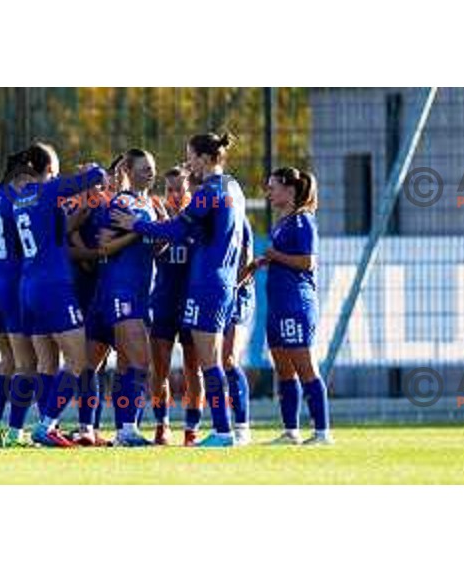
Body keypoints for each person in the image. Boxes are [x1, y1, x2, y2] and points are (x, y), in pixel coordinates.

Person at [115, 133, 245, 447]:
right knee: (208, 362)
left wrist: (137, 225)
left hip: (205, 284)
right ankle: (221, 430)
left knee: (208, 362)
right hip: (222, 282)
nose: (188, 163)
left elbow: (176, 228)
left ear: (204, 157)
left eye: (190, 157)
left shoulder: (208, 192)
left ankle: (223, 431)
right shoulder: (234, 188)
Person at [6, 142, 106, 447]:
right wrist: (88, 172)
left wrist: (78, 208)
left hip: (29, 287)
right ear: (49, 167)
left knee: (46, 365)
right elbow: (98, 174)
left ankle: (44, 424)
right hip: (54, 287)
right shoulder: (48, 190)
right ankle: (47, 426)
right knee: (78, 361)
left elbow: (55, 231)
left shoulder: (21, 199)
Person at [247, 167, 333, 445]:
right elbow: (285, 257)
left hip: (296, 303)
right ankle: (291, 431)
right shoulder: (283, 222)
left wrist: (275, 255)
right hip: (278, 305)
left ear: (289, 189)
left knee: (306, 368)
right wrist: (266, 260)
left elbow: (308, 262)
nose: (268, 193)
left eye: (273, 187)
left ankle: (322, 432)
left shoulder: (302, 221)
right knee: (284, 371)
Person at [95, 148, 158, 447]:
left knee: (126, 366)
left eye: (152, 167)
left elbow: (153, 247)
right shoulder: (122, 202)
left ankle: (124, 430)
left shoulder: (151, 205)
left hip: (140, 293)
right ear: (129, 171)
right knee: (139, 363)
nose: (151, 172)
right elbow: (104, 246)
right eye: (144, 168)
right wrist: (135, 232)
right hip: (121, 291)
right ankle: (126, 429)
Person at [0, 155, 36, 447]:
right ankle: (15, 432)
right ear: (21, 177)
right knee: (28, 363)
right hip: (12, 289)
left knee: (7, 359)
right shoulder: (18, 203)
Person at [148, 166, 204, 446]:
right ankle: (162, 425)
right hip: (164, 302)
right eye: (169, 189)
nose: (174, 194)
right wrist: (162, 233)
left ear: (189, 190)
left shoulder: (200, 218)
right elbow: (153, 252)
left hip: (192, 303)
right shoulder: (158, 219)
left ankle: (192, 429)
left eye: (179, 188)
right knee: (159, 368)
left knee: (194, 368)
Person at [223, 214, 255, 445]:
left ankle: (242, 427)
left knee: (229, 359)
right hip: (215, 295)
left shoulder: (238, 220)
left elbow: (248, 262)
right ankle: (219, 426)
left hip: (236, 296)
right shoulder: (200, 217)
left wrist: (230, 285)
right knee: (213, 363)